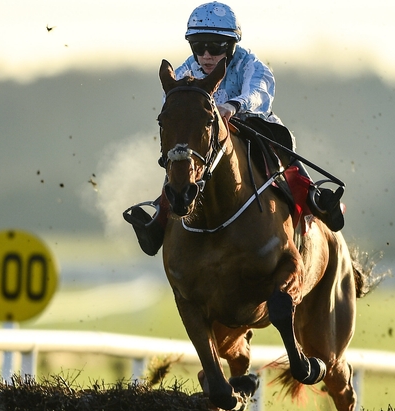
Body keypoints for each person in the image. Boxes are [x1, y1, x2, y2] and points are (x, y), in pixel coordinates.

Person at [124, 1, 344, 256]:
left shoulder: (251, 64)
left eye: (215, 47)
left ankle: (315, 197)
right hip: (209, 135)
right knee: (182, 158)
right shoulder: (185, 69)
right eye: (198, 46)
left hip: (253, 126)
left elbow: (259, 92)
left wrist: (233, 106)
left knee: (283, 150)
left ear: (231, 45)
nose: (206, 55)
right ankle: (159, 219)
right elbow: (171, 101)